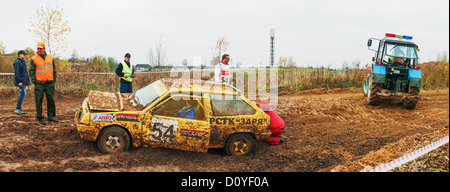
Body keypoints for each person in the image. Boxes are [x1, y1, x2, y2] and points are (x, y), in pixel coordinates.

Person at [29, 42, 58, 125]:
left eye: (40, 48)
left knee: (51, 100)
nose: (39, 50)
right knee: (38, 101)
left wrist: (53, 80)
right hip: (39, 84)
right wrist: (35, 82)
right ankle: (40, 118)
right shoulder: (34, 59)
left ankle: (51, 117)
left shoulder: (50, 58)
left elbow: (54, 70)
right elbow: (31, 71)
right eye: (38, 48)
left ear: (44, 49)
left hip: (50, 83)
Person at [13, 50, 30, 114]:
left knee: (23, 93)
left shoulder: (22, 62)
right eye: (24, 54)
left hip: (23, 81)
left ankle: (18, 108)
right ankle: (17, 108)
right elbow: (17, 73)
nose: (25, 55)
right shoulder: (17, 62)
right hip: (21, 82)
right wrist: (20, 81)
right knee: (23, 93)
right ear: (20, 55)